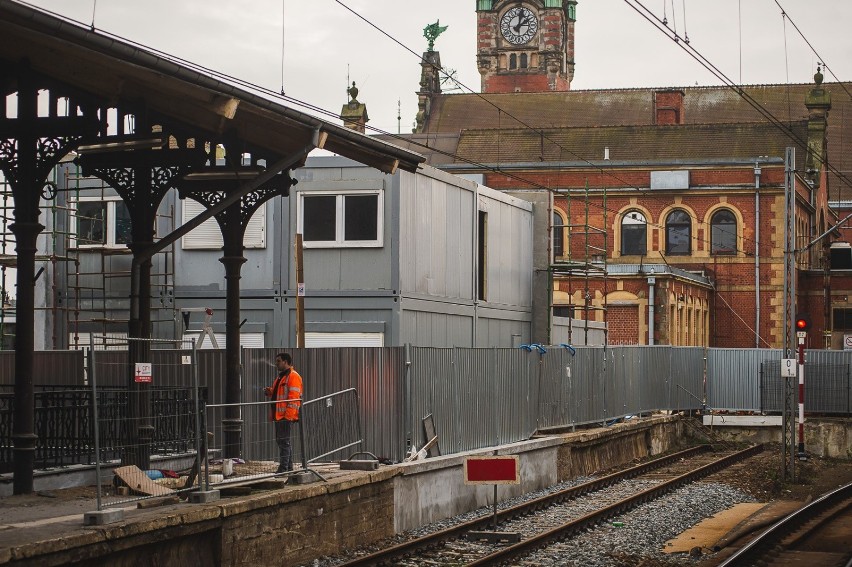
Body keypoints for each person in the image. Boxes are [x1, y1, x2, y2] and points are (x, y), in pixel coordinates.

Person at [264, 352, 303, 473]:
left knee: (283, 442)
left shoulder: (293, 376)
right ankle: (288, 467)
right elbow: (279, 393)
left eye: (278, 361)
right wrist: (270, 391)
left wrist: (288, 416)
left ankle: (283, 468)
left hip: (285, 416)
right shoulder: (281, 377)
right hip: (279, 415)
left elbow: (294, 398)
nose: (276, 364)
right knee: (282, 441)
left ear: (286, 362)